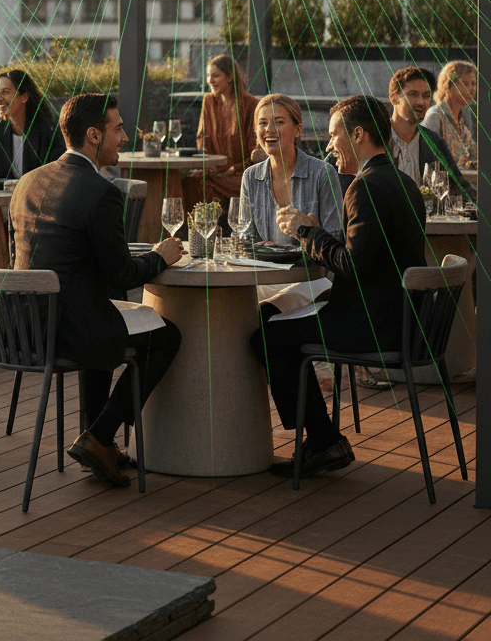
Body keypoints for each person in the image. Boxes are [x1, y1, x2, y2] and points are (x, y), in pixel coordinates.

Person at [9, 93, 183, 489]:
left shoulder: (28, 181)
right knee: (167, 336)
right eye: (117, 129)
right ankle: (101, 436)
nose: (124, 137)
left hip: (21, 330)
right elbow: (122, 274)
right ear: (93, 135)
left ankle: (95, 440)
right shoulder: (102, 192)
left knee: (100, 315)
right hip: (70, 332)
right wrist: (161, 256)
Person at [253, 95, 427, 478]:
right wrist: (315, 233)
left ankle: (322, 440)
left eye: (334, 136)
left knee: (265, 334)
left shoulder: (363, 188)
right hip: (403, 321)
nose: (329, 145)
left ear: (359, 134)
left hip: (371, 325)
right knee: (270, 318)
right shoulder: (404, 183)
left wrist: (304, 231)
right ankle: (322, 438)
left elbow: (351, 265)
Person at [239, 94, 343, 247]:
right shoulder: (250, 177)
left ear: (298, 130)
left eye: (279, 122)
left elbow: (336, 241)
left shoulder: (323, 173)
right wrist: (263, 249)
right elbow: (245, 239)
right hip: (265, 269)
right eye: (263, 123)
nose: (269, 129)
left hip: (308, 270)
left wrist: (309, 231)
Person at [183, 54, 260, 214]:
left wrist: (234, 169)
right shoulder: (209, 101)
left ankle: (222, 223)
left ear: (230, 77)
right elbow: (202, 138)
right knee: (189, 183)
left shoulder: (252, 104)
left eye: (215, 75)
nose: (210, 80)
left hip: (241, 173)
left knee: (241, 185)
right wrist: (207, 163)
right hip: (214, 172)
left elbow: (256, 149)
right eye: (208, 76)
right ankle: (195, 230)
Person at [387, 66, 475, 200]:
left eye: (426, 96)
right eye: (413, 94)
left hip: (428, 219)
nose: (421, 102)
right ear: (394, 98)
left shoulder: (434, 142)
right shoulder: (375, 138)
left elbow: (459, 185)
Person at [0, 69, 65, 180]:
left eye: (6, 92)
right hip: (6, 196)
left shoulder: (47, 129)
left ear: (24, 97)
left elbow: (55, 175)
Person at [422, 60, 477, 171]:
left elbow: (475, 156)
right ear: (449, 86)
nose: (471, 89)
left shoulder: (462, 119)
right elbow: (426, 162)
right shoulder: (435, 116)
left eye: (473, 83)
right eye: (465, 84)